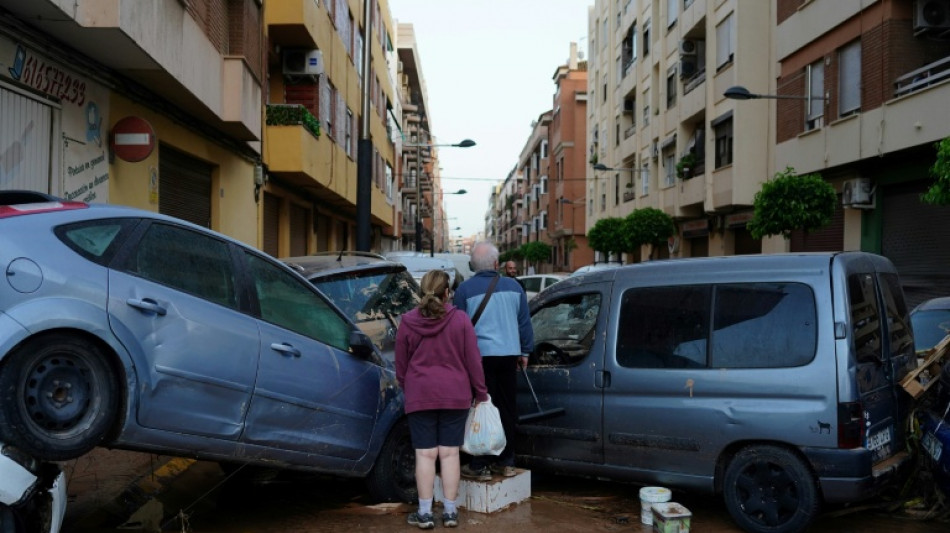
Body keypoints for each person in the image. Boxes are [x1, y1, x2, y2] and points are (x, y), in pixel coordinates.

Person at [395, 270, 489, 530]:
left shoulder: (407, 321)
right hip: (455, 395)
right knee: (449, 455)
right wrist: (481, 393)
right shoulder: (460, 320)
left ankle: (424, 514)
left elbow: (400, 365)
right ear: (447, 293)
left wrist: (409, 385)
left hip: (420, 393)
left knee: (424, 455)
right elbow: (473, 361)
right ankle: (449, 513)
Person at [454, 241, 534, 480]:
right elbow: (524, 323)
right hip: (509, 355)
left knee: (482, 408)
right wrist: (525, 352)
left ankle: (480, 464)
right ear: (497, 264)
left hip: (479, 359)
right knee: (507, 409)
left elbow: (458, 327)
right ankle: (506, 461)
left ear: (472, 266)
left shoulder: (464, 290)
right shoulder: (514, 287)